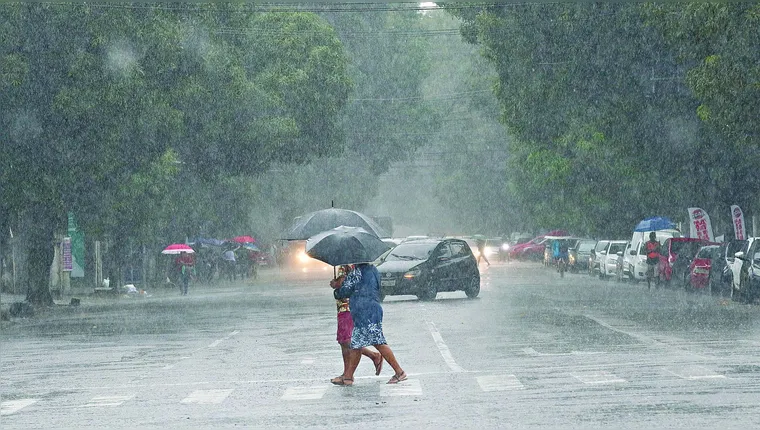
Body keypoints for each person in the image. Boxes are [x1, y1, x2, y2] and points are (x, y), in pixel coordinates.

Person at [332, 263, 406, 386]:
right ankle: (348, 377)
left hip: (365, 310)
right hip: (371, 308)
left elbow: (344, 292)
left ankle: (399, 372)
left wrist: (336, 288)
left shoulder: (357, 272)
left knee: (378, 342)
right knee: (356, 344)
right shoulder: (373, 269)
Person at [329, 264, 383, 386]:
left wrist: (335, 284)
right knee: (343, 341)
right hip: (345, 307)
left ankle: (352, 372)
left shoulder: (347, 266)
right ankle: (346, 373)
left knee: (348, 341)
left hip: (348, 307)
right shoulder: (354, 266)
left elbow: (344, 284)